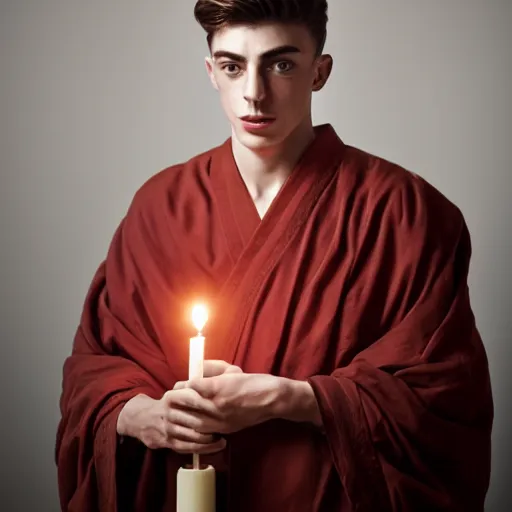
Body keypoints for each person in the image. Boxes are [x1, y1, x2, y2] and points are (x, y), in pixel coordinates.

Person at [55, 0, 494, 510]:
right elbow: (95, 367)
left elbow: (442, 398)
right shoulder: (159, 206)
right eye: (233, 65)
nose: (254, 93)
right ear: (211, 71)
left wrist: (294, 400)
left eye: (281, 64)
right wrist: (137, 415)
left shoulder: (407, 212)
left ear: (320, 72)